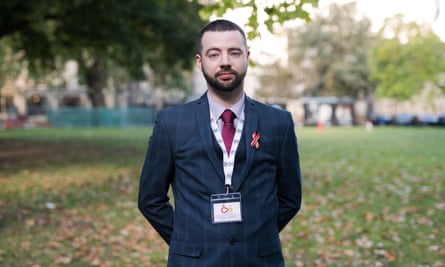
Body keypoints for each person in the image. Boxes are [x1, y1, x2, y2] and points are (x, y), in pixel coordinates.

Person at [138, 19, 302, 267]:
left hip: (260, 260)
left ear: (247, 57)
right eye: (214, 54)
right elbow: (150, 199)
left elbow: (290, 198)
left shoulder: (279, 123)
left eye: (234, 52)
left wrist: (257, 237)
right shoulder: (171, 123)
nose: (225, 61)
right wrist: (188, 241)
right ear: (200, 61)